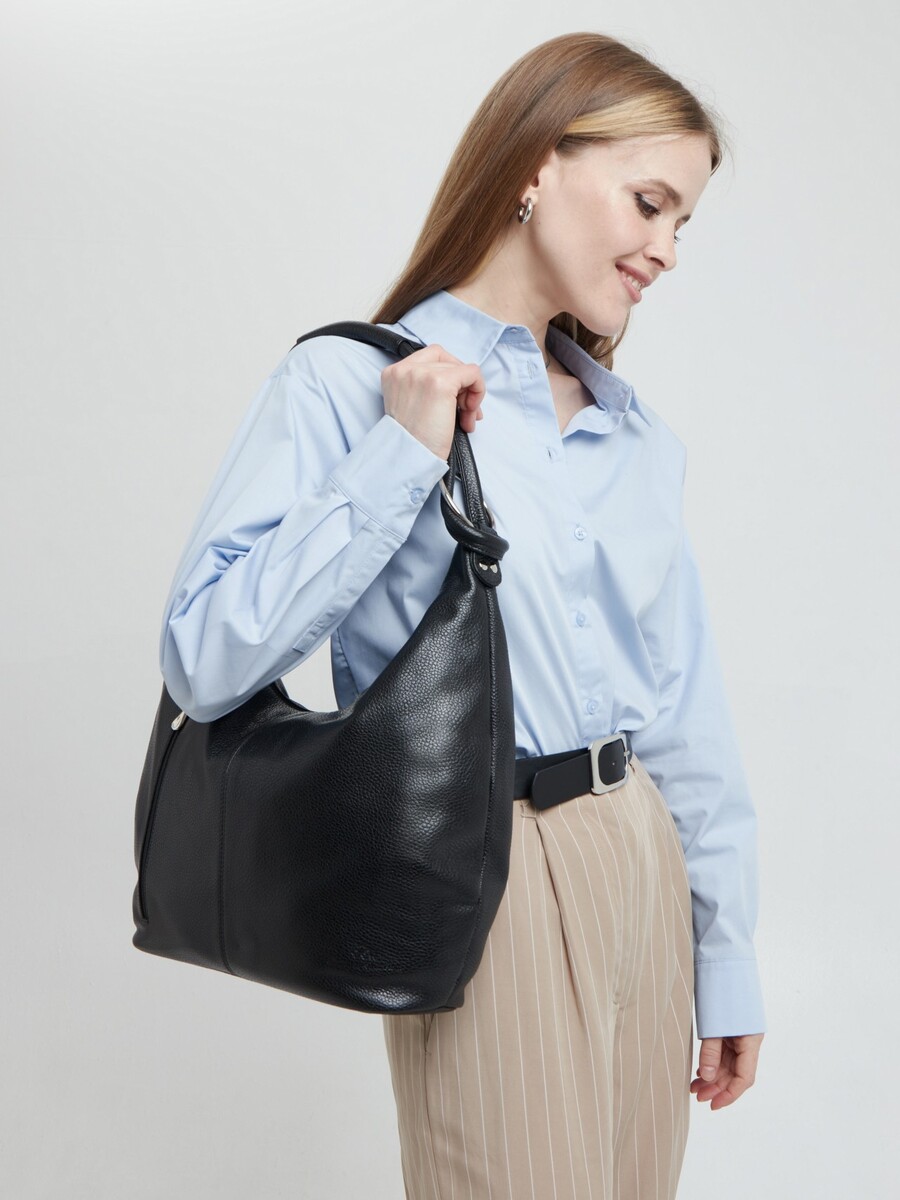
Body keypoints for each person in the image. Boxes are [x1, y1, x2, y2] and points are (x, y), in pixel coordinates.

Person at [158, 30, 766, 1200]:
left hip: (641, 852)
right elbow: (204, 659)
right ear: (536, 165)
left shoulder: (631, 433)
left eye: (683, 223)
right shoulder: (347, 385)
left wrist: (724, 951)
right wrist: (398, 455)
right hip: (480, 860)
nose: (667, 248)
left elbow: (685, 711)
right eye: (650, 203)